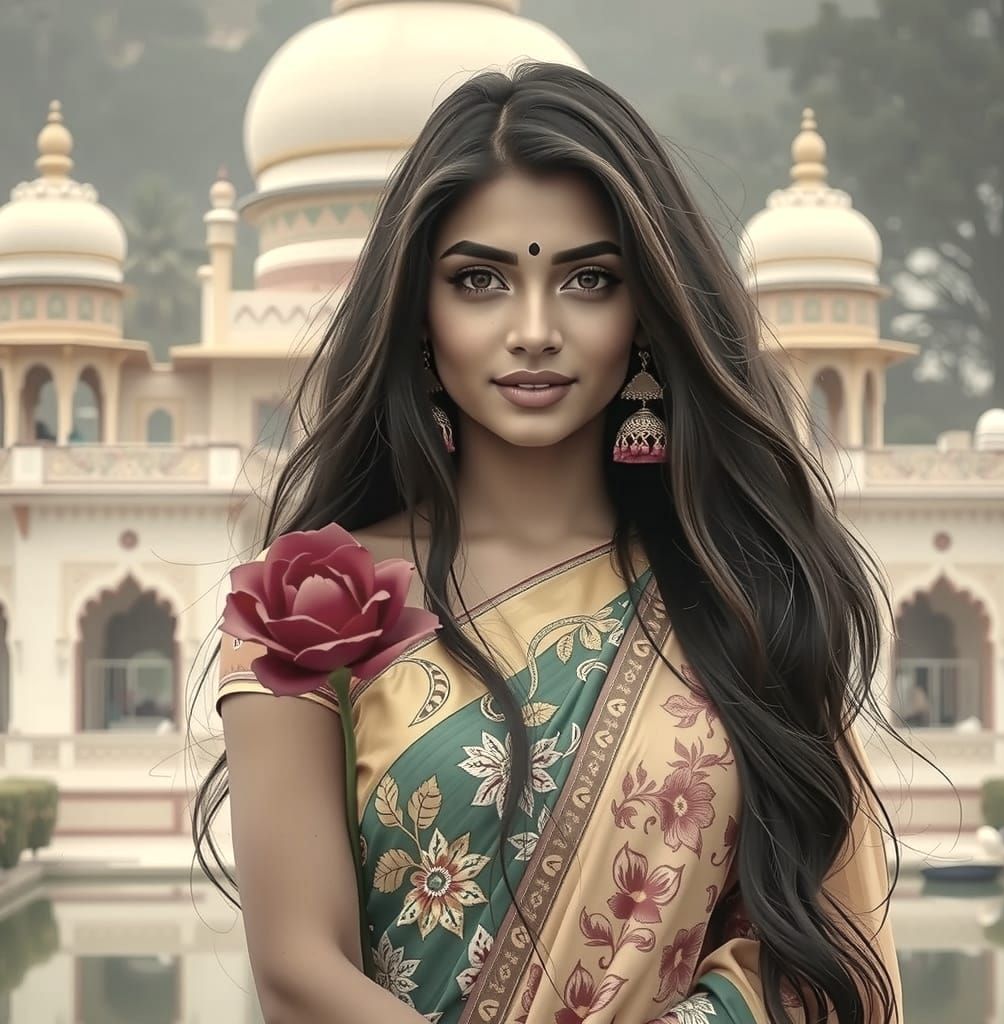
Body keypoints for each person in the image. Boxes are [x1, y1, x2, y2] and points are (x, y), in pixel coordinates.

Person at [191, 62, 905, 1023]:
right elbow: (298, 973)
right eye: (481, 279)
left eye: (587, 279)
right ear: (419, 312)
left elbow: (828, 967)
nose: (534, 330)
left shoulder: (744, 596)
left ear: (645, 312)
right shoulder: (313, 602)